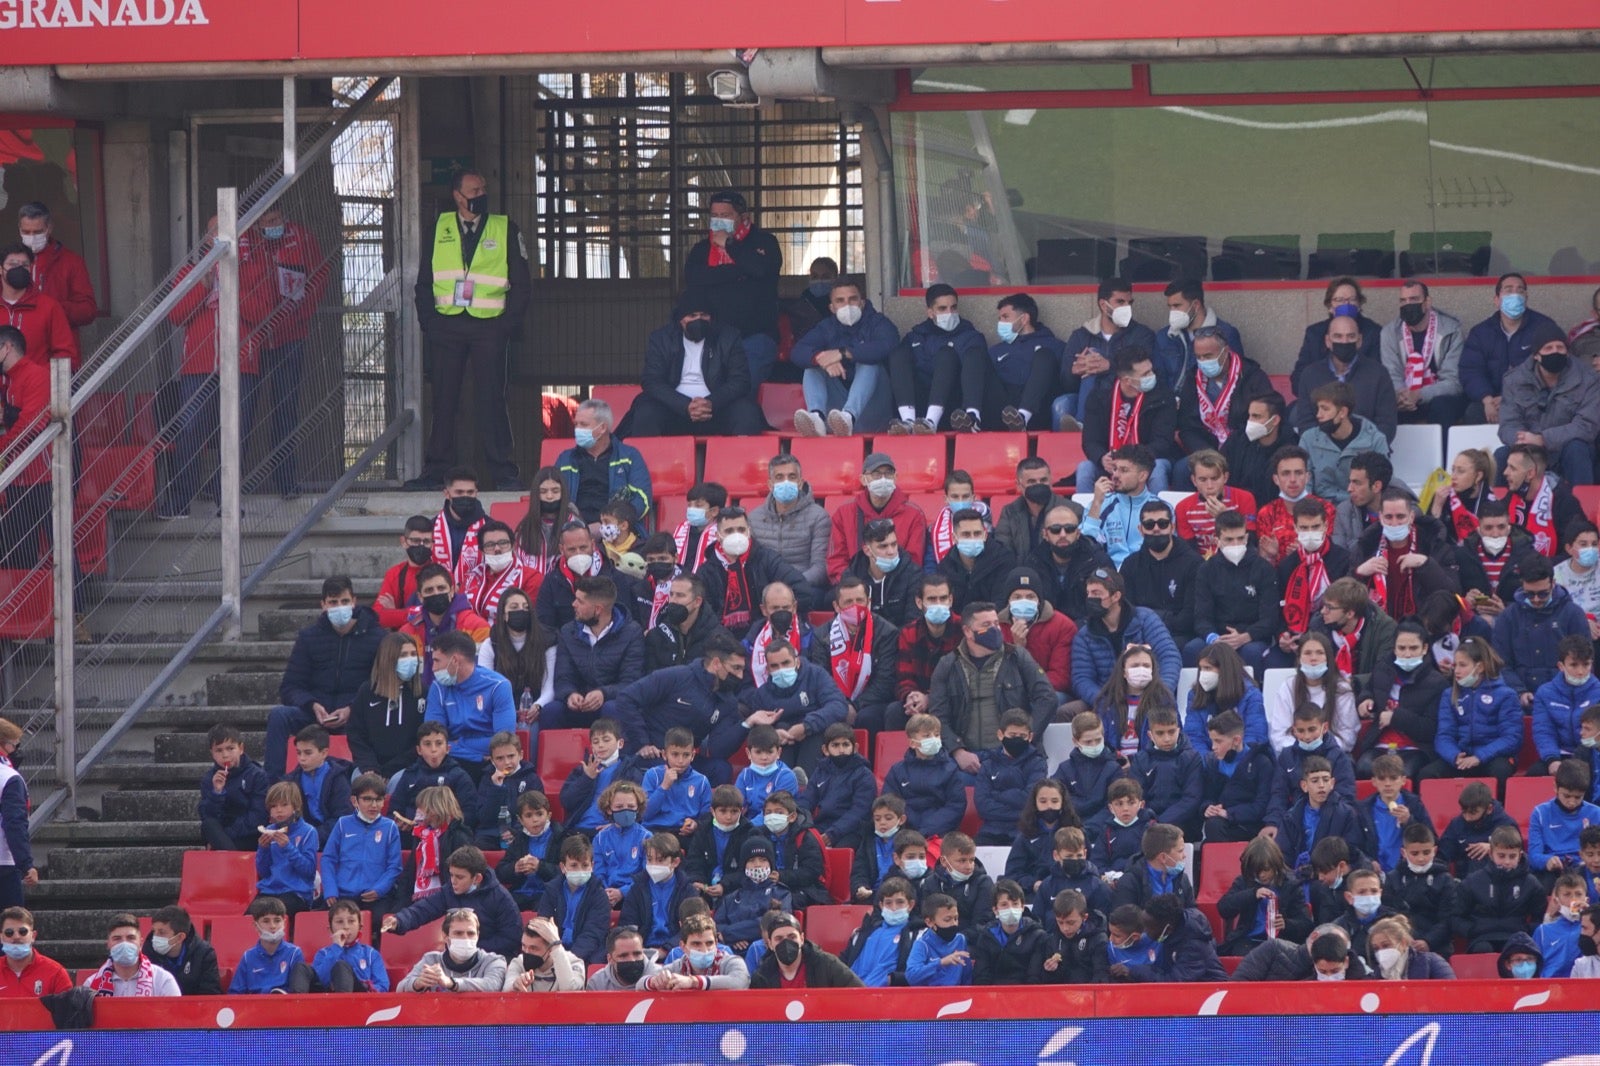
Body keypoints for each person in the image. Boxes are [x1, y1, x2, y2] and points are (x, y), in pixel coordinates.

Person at [407, 170, 528, 491]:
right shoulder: (439, 228)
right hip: (447, 326)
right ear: (458, 196)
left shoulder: (505, 228)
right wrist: (430, 324)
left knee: (492, 399)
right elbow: (424, 281)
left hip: (490, 326)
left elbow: (522, 283)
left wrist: (507, 326)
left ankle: (503, 473)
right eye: (474, 189)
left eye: (483, 188)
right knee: (444, 400)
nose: (481, 193)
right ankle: (436, 473)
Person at [158, 220, 276, 516]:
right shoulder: (190, 272)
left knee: (236, 434)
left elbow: (263, 313)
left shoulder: (253, 270)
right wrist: (205, 284)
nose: (221, 238)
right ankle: (181, 500)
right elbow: (177, 315)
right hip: (198, 367)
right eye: (216, 232)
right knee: (190, 430)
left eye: (229, 232)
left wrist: (231, 287)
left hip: (242, 364)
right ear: (207, 239)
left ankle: (228, 500)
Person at [262, 577, 384, 778]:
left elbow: (379, 685)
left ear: (354, 601)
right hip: (316, 714)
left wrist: (352, 708)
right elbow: (291, 686)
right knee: (279, 716)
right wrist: (312, 705)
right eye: (333, 602)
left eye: (344, 602)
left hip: (357, 714)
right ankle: (274, 787)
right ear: (323, 605)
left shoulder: (376, 637)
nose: (339, 607)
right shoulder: (309, 637)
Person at [250, 206, 329, 496]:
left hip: (291, 335)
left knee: (286, 410)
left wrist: (300, 314)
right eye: (267, 221)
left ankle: (286, 481)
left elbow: (319, 275)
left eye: (278, 219)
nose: (274, 225)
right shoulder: (245, 241)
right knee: (243, 411)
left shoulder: (301, 238)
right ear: (256, 222)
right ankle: (231, 485)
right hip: (254, 339)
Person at [929, 602, 1058, 763]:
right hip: (966, 758)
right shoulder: (947, 665)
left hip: (1015, 756)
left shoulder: (1018, 657)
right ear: (968, 631)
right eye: (986, 625)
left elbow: (1047, 698)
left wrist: (1023, 737)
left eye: (996, 623)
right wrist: (957, 751)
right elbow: (937, 716)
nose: (995, 629)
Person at [626, 291, 768, 436]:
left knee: (747, 412)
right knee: (646, 413)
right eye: (692, 316)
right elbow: (651, 381)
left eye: (704, 315)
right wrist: (685, 406)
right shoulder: (662, 339)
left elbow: (740, 381)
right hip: (674, 410)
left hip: (716, 410)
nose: (699, 320)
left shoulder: (728, 337)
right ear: (681, 319)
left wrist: (711, 403)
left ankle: (740, 459)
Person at [684, 189, 782, 396]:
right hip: (712, 339)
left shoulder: (765, 242)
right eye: (715, 216)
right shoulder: (702, 249)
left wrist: (729, 244)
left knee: (740, 390)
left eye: (726, 215)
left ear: (743, 217)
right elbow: (693, 280)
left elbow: (760, 270)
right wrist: (738, 272)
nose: (719, 221)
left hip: (755, 337)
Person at [1496, 319, 1600, 486]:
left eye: (1560, 348)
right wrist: (1523, 440)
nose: (1555, 352)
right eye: (1548, 348)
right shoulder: (1514, 380)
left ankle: (1582, 509)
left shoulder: (1589, 379)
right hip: (1528, 449)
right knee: (1502, 455)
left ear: (1567, 352)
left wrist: (1543, 439)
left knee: (1577, 449)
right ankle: (1497, 509)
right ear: (1536, 355)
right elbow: (1508, 424)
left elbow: (1586, 426)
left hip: (1567, 449)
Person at [791, 278, 898, 437]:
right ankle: (817, 418)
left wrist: (843, 353)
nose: (847, 305)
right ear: (832, 308)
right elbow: (797, 352)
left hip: (874, 407)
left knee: (869, 362)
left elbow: (887, 344)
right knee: (812, 366)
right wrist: (821, 358)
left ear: (862, 302)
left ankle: (849, 416)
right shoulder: (827, 327)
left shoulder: (877, 322)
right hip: (836, 415)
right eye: (840, 301)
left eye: (853, 299)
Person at [1069, 566, 1182, 707]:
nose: (1091, 598)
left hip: (1150, 696)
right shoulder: (1084, 635)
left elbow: (1170, 657)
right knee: (1067, 712)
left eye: (1096, 593)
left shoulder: (1145, 619)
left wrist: (1159, 694)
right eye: (1089, 593)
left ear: (1116, 596)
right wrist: (1105, 702)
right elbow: (1082, 679)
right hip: (1107, 701)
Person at [951, 292, 1063, 433]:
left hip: (1036, 411)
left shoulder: (1054, 346)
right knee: (975, 353)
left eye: (1005, 317)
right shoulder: (997, 350)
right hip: (1001, 409)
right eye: (999, 318)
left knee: (1045, 355)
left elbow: (1062, 382)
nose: (1001, 323)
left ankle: (1022, 418)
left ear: (1024, 319)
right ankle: (973, 417)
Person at [383, 844, 522, 957]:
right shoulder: (449, 891)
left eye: (460, 877)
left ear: (477, 878)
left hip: (493, 959)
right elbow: (424, 909)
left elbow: (511, 939)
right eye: (451, 875)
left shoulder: (501, 898)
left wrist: (472, 947)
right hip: (456, 958)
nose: (453, 882)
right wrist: (400, 921)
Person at [1460, 272, 1562, 425]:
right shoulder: (1480, 333)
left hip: (1531, 399)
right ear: (1496, 300)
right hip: (1490, 401)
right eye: (1508, 290)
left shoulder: (1544, 328)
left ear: (1526, 299)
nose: (1515, 294)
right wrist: (1487, 399)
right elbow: (1470, 370)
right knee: (1473, 413)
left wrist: (1513, 397)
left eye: (1520, 290)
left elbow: (1554, 369)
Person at [734, 640, 847, 776]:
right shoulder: (761, 695)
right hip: (783, 743)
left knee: (817, 733)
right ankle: (784, 782)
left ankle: (805, 781)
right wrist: (774, 734)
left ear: (797, 662)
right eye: (775, 666)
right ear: (768, 670)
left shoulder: (816, 675)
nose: (781, 669)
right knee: (778, 733)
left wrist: (806, 726)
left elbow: (838, 706)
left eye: (786, 663)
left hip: (814, 736)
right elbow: (757, 733)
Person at [887, 283, 988, 433]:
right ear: (930, 312)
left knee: (947, 354)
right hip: (919, 407)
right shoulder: (915, 337)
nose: (950, 312)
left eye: (953, 307)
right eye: (942, 308)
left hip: (955, 408)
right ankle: (907, 421)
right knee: (898, 355)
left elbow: (974, 371)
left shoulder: (970, 336)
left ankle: (935, 421)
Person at [806, 576, 901, 735]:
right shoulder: (821, 634)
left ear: (869, 602)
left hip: (872, 701)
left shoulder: (887, 632)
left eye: (860, 600)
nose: (855, 606)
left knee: (867, 717)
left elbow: (885, 681)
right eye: (848, 602)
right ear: (836, 606)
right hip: (834, 699)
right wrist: (841, 705)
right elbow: (821, 677)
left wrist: (856, 706)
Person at [1422, 636, 1522, 787]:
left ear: (1480, 667)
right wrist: (1454, 756)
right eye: (1455, 665)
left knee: (1500, 772)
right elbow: (1444, 735)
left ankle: (1495, 809)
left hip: (1492, 757)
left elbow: (1511, 738)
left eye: (1463, 665)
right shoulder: (1449, 694)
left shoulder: (1506, 695)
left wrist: (1479, 757)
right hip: (1462, 756)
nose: (1456, 671)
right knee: (1427, 774)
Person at [1059, 276, 1161, 424]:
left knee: (1093, 358)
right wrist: (1074, 371)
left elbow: (1146, 371)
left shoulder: (1142, 334)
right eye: (1120, 302)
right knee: (1062, 403)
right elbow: (1065, 383)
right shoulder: (1081, 336)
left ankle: (1083, 425)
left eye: (1129, 303)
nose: (1127, 308)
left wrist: (1109, 365)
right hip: (1088, 396)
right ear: (1103, 305)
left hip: (1126, 394)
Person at [1187, 508, 1280, 668]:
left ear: (1246, 538)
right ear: (1217, 540)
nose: (1235, 544)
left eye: (1239, 538)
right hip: (1217, 636)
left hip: (1252, 637)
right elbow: (1201, 616)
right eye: (1229, 539)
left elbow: (1270, 618)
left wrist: (1246, 636)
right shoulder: (1206, 570)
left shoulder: (1264, 569)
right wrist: (1214, 638)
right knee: (1192, 649)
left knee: (1252, 653)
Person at [1175, 329, 1274, 479]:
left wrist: (1230, 451)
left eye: (1208, 356)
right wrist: (1208, 454)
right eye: (1198, 357)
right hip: (1207, 451)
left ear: (1225, 351)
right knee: (1181, 470)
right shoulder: (1192, 377)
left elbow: (1262, 419)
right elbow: (1187, 427)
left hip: (1245, 448)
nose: (1203, 362)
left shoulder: (1252, 376)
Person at [550, 575, 644, 732]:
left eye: (580, 601)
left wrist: (603, 693)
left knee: (612, 709)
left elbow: (631, 681)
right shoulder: (568, 631)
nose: (573, 604)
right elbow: (563, 677)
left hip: (610, 701)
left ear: (598, 609)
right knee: (552, 711)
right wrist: (570, 694)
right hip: (580, 703)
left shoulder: (632, 633)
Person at [1077, 347, 1178, 494]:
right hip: (1113, 462)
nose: (1152, 376)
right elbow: (1090, 441)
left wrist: (1133, 460)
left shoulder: (1162, 397)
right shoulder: (1099, 397)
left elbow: (1163, 442)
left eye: (1151, 370)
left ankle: (1159, 514)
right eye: (1146, 374)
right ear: (1127, 381)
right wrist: (1101, 458)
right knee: (1085, 469)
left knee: (1158, 469)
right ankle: (1087, 515)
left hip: (1150, 459)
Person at [1355, 623, 1448, 781]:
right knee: (1364, 768)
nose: (1407, 654)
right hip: (1380, 744)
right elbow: (1369, 689)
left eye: (1413, 648)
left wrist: (1395, 718)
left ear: (1424, 649)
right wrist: (1365, 700)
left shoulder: (1437, 683)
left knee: (1400, 774)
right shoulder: (1382, 670)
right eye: (1402, 648)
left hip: (1415, 748)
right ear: (1394, 648)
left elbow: (1430, 729)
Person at [1495, 555, 1591, 707]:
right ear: (1522, 585)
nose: (1536, 599)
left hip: (1564, 697)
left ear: (1553, 583)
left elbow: (1583, 662)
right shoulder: (1508, 617)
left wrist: (1558, 691)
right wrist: (1519, 691)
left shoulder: (1573, 614)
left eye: (1542, 593)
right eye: (1529, 594)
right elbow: (1501, 663)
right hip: (1517, 700)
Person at [826, 451, 929, 583]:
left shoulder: (914, 514)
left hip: (898, 586)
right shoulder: (844, 513)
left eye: (888, 474)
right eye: (876, 474)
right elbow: (836, 560)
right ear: (863, 479)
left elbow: (914, 560)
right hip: (855, 586)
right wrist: (852, 586)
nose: (883, 479)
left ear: (896, 477)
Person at [1292, 315, 1398, 442]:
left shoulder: (1378, 373)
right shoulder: (1310, 374)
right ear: (1328, 341)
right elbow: (1306, 423)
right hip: (1322, 454)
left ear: (1359, 341)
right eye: (1338, 336)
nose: (1344, 342)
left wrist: (1361, 449)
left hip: (1367, 453)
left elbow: (1386, 424)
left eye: (1351, 336)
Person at [552, 397, 652, 528]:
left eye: (583, 425)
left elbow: (642, 499)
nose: (577, 429)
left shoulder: (630, 457)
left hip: (617, 532)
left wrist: (609, 525)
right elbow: (551, 496)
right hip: (573, 531)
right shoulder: (565, 459)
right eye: (576, 424)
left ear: (603, 428)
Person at [425, 629, 515, 775]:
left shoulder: (498, 686)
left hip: (490, 765)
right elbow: (432, 741)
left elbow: (504, 742)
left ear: (455, 660)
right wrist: (477, 755)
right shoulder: (437, 688)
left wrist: (455, 745)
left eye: (437, 661)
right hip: (451, 763)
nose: (433, 668)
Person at [1381, 278, 1467, 425]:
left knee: (1442, 406)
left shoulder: (1451, 330)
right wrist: (1402, 396)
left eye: (1414, 299)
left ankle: (1441, 449)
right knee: (1384, 406)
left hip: (1439, 396)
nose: (1408, 305)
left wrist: (1419, 394)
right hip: (1404, 397)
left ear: (1427, 302)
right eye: (1403, 301)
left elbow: (1453, 382)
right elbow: (1392, 374)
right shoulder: (1390, 333)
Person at [1119, 500, 1202, 650]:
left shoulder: (1194, 563)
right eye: (1149, 525)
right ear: (1140, 529)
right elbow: (1126, 610)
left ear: (1172, 527)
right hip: (1141, 633)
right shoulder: (1130, 565)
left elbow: (1191, 614)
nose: (1156, 529)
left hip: (1181, 635)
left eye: (1162, 524)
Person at [0, 326, 50, 574]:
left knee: (57, 546)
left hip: (43, 477)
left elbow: (32, 424)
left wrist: (2, 448)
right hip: (16, 478)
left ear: (6, 347)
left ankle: (77, 608)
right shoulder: (9, 381)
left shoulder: (35, 375)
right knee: (18, 554)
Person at [747, 454, 830, 596]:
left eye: (791, 477)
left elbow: (820, 568)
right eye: (779, 477)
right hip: (765, 588)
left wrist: (792, 584)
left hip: (802, 586)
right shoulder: (754, 518)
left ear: (800, 482)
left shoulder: (818, 516)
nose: (786, 482)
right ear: (770, 484)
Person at [320, 772, 403, 914]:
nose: (374, 805)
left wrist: (379, 889)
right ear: (354, 801)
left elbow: (395, 866)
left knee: (379, 920)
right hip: (344, 893)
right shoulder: (342, 824)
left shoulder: (390, 828)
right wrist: (331, 889)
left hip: (376, 896)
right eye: (367, 799)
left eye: (378, 799)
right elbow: (328, 859)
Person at [1457, 825, 1547, 952]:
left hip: (1517, 938)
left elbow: (1539, 917)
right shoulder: (1473, 881)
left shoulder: (1531, 884)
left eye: (1512, 856)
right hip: (1481, 938)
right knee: (1483, 949)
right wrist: (1472, 930)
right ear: (1491, 854)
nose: (1507, 861)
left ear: (1520, 855)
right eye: (1501, 856)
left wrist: (1526, 931)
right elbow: (1456, 916)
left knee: (1515, 952)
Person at [1300, 382, 1390, 505]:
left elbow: (1383, 482)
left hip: (1362, 508)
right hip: (1321, 511)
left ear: (1342, 412)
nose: (1318, 415)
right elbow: (1304, 480)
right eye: (1318, 408)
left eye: (1325, 409)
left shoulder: (1375, 440)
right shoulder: (1308, 439)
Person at [1291, 276, 1384, 394]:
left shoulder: (1373, 332)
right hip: (1320, 400)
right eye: (1340, 300)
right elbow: (1298, 379)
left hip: (1360, 400)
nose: (1346, 304)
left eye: (1352, 299)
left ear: (1359, 304)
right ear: (1330, 306)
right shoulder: (1315, 334)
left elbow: (1376, 376)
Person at [15, 202, 97, 335]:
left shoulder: (71, 262)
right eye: (26, 232)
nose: (32, 237)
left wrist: (52, 309)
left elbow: (88, 310)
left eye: (37, 232)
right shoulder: (8, 262)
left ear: (49, 228)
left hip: (60, 346)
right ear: (19, 229)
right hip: (19, 347)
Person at [1382, 822, 1460, 957]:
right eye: (1414, 853)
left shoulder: (1445, 880)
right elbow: (1388, 914)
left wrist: (1428, 942)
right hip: (1400, 944)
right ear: (1403, 853)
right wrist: (1405, 937)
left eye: (1426, 852)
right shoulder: (1392, 879)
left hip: (1438, 948)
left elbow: (1448, 919)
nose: (1421, 858)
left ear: (1434, 851)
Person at [1201, 709, 1277, 843]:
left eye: (1218, 741)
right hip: (1221, 824)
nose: (1213, 747)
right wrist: (1208, 807)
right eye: (1212, 741)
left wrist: (1229, 814)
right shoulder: (1213, 764)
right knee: (1212, 827)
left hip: (1250, 827)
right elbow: (1207, 797)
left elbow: (1261, 805)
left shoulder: (1261, 763)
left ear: (1236, 740)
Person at [1155, 278, 1244, 390]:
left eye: (1177, 306)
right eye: (1170, 307)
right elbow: (1159, 378)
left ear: (1196, 304)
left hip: (1209, 403)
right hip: (1170, 404)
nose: (1173, 312)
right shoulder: (1165, 336)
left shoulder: (1226, 334)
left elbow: (1235, 376)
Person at [1082, 444, 1162, 568]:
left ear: (1142, 476)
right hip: (1108, 576)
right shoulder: (1101, 504)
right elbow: (1084, 546)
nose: (1115, 475)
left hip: (1146, 575)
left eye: (1124, 470)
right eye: (1115, 469)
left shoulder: (1160, 508)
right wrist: (1097, 503)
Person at [0, 242, 78, 368]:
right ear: (1, 268)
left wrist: (38, 377)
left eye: (24, 265)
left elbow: (66, 355)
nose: (19, 269)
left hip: (35, 386)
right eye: (12, 264)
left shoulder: (49, 307)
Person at [1532, 636, 1600, 775]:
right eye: (1574, 665)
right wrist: (1552, 759)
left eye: (1586, 664)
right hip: (1558, 755)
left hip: (1592, 753)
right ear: (1561, 666)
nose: (1581, 671)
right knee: (1534, 774)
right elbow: (1544, 730)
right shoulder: (1545, 693)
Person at [1504, 443, 1585, 560]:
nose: (1505, 472)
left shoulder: (1564, 502)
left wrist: (1539, 566)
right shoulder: (1509, 498)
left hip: (1552, 572)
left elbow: (1573, 551)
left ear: (1530, 473)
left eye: (1512, 468)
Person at [398, 907, 509, 992]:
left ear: (478, 935)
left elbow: (493, 985)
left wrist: (451, 983)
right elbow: (400, 988)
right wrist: (417, 983)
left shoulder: (494, 960)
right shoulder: (431, 959)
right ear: (445, 936)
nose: (465, 938)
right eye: (458, 933)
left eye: (471, 933)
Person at [538, 836, 612, 964]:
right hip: (554, 950)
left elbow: (592, 934)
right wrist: (555, 954)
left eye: (585, 865)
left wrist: (567, 959)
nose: (580, 870)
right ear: (563, 867)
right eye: (574, 865)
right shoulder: (551, 891)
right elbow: (544, 925)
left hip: (585, 955)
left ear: (592, 866)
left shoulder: (599, 896)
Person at [1175, 449, 1258, 559]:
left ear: (1225, 477)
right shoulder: (1183, 508)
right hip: (1203, 565)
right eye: (1203, 480)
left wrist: (1225, 518)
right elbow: (1189, 550)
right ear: (1194, 481)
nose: (1209, 486)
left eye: (1214, 478)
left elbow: (1250, 542)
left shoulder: (1244, 498)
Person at [390, 723, 477, 829]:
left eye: (439, 743)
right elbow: (394, 811)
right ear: (419, 750)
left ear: (447, 748)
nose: (433, 749)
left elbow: (470, 814)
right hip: (412, 837)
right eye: (427, 744)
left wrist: (445, 825)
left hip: (449, 838)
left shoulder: (459, 776)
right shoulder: (410, 775)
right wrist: (401, 823)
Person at [198, 723, 269, 852]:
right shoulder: (209, 779)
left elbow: (258, 815)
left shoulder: (257, 775)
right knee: (208, 825)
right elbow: (207, 815)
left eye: (230, 748)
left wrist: (226, 835)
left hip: (248, 835)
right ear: (212, 753)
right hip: (221, 835)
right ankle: (230, 854)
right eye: (219, 750)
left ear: (241, 748)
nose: (225, 755)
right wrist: (217, 793)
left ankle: (229, 855)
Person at [252, 780, 319, 915]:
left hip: (296, 893)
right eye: (274, 806)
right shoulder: (269, 831)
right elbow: (263, 872)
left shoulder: (308, 832)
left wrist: (288, 848)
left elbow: (309, 871)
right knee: (250, 916)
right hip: (269, 891)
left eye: (284, 805)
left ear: (296, 807)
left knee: (273, 914)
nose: (279, 810)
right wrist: (263, 849)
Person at [749, 910, 864, 988]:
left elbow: (859, 992)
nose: (786, 942)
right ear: (770, 944)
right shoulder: (761, 977)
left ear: (802, 938)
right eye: (779, 938)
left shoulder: (826, 964)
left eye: (792, 937)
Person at [1187, 644, 1269, 750]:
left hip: (1243, 760)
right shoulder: (1195, 695)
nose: (1203, 674)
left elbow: (1256, 736)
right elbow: (1193, 736)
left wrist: (1232, 761)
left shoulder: (1250, 695)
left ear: (1224, 670)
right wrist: (1210, 761)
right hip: (1207, 761)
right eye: (1201, 669)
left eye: (1208, 668)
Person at [841, 877, 919, 986]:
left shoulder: (919, 936)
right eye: (888, 903)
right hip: (852, 993)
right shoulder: (860, 934)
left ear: (910, 905)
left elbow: (921, 972)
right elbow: (841, 965)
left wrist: (893, 979)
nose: (894, 908)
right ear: (881, 905)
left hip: (890, 997)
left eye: (900, 902)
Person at [227, 896, 313, 994]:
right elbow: (235, 993)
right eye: (266, 921)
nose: (272, 926)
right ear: (256, 926)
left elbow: (298, 991)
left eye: (277, 920)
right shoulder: (248, 957)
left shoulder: (294, 953)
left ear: (284, 923)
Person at [647, 912, 753, 991]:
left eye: (709, 943)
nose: (704, 950)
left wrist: (694, 982)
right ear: (683, 946)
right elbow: (640, 983)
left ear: (716, 943)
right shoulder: (677, 967)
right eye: (696, 944)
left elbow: (740, 982)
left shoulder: (731, 962)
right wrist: (654, 982)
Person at [81, 914, 181, 997]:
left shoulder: (162, 980)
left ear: (140, 942)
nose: (124, 943)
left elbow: (175, 1017)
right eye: (117, 938)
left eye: (131, 938)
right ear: (108, 944)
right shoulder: (91, 985)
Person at [1221, 391, 1292, 508]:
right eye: (1249, 416)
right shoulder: (1237, 439)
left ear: (1275, 420)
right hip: (1235, 510)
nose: (1250, 422)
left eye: (1256, 416)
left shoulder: (1291, 448)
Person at [1528, 761, 1600, 877]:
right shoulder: (1540, 813)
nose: (1572, 802)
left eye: (1578, 797)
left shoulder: (1596, 813)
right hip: (1554, 870)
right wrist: (1547, 861)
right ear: (1555, 787)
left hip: (1586, 869)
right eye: (1566, 796)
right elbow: (1534, 855)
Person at [845, 517, 919, 627]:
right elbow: (845, 621)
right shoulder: (852, 576)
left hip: (899, 641)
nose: (891, 552)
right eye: (883, 546)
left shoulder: (913, 574)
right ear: (867, 550)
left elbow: (912, 623)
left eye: (894, 544)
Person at [971, 878, 1046, 984]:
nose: (1010, 909)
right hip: (994, 996)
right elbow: (982, 977)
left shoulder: (1037, 936)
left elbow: (1034, 977)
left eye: (1015, 904)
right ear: (995, 910)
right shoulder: (986, 937)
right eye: (1004, 905)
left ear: (1022, 907)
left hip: (1026, 995)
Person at [996, 457, 1071, 559]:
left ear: (1051, 481)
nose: (1038, 485)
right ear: (1018, 485)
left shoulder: (1071, 510)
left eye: (1043, 480)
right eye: (1032, 482)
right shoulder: (1009, 512)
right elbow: (1002, 550)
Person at [1032, 889, 1110, 984]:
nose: (1065, 928)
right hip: (1061, 995)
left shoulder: (1098, 939)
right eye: (1060, 922)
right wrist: (1050, 971)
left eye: (1071, 922)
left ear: (1084, 917)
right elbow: (1046, 982)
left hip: (1088, 994)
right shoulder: (1053, 939)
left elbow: (1101, 976)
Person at [141, 905, 221, 996]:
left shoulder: (204, 954)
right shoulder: (147, 952)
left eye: (161, 932)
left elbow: (210, 994)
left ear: (180, 937)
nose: (155, 937)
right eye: (153, 931)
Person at [0, 718, 35, 906]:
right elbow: (14, 823)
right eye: (15, 745)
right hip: (3, 864)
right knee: (11, 926)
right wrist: (26, 863)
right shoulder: (8, 777)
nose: (17, 750)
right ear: (4, 744)